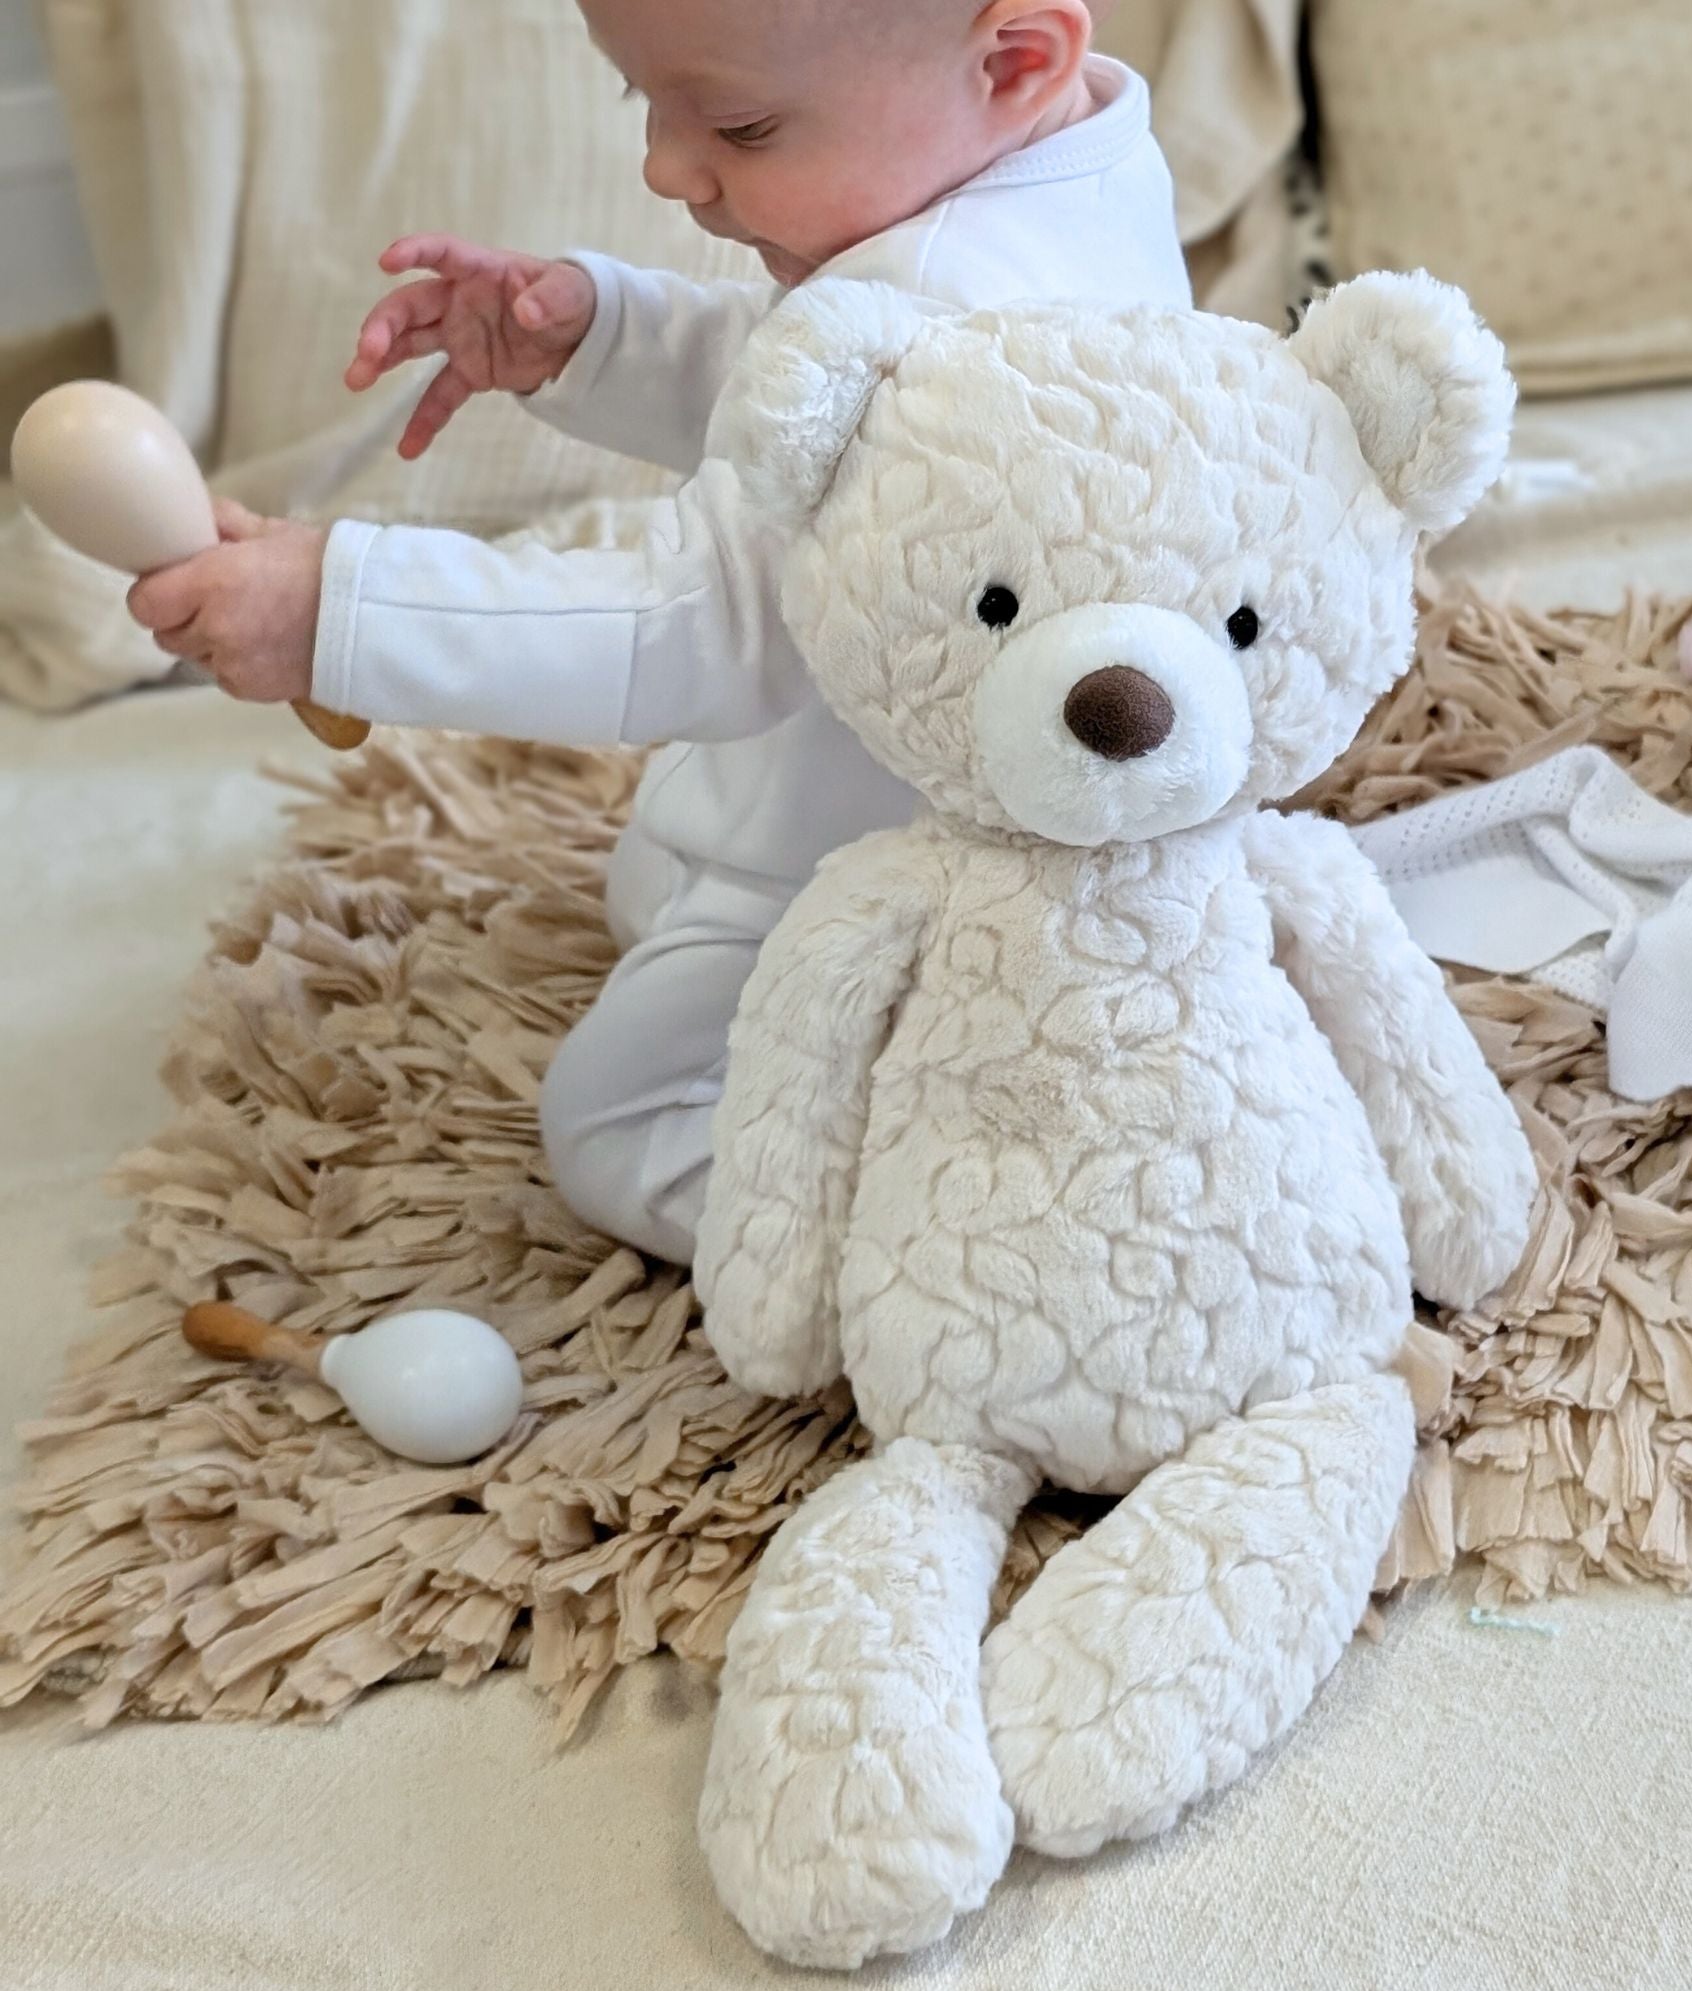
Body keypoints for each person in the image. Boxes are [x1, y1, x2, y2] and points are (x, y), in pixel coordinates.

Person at [126, 0, 1191, 1263]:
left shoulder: (937, 306)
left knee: (615, 1123)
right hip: (994, 807)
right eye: (647, 105)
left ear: (1013, 61)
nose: (666, 171)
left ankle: (941, 1254)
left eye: (740, 126)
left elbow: (689, 625)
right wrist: (602, 337)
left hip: (886, 876)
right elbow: (809, 396)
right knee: (648, 871)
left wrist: (340, 609)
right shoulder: (1075, 165)